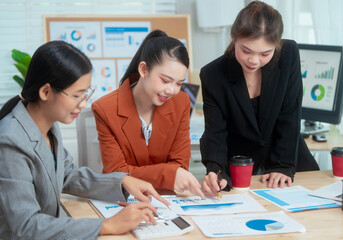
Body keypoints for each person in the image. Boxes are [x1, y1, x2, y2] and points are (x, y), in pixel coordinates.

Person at [0, 41, 169, 239]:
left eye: (86, 93)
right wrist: (107, 225)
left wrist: (123, 181)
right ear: (45, 92)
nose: (84, 103)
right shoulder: (11, 141)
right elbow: (26, 226)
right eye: (77, 95)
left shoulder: (48, 125)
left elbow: (67, 175)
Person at [200, 1, 319, 195]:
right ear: (234, 38)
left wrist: (282, 165)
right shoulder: (212, 75)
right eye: (246, 51)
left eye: (265, 53)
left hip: (286, 158)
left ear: (277, 46)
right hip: (240, 167)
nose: (254, 60)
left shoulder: (288, 54)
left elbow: (290, 114)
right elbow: (215, 132)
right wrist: (216, 170)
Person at [92, 30, 204, 198]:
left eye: (179, 83)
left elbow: (180, 165)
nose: (172, 90)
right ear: (144, 69)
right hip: (125, 200)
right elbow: (116, 174)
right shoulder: (105, 108)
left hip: (168, 200)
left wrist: (171, 173)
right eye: (165, 81)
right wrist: (169, 174)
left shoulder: (181, 102)